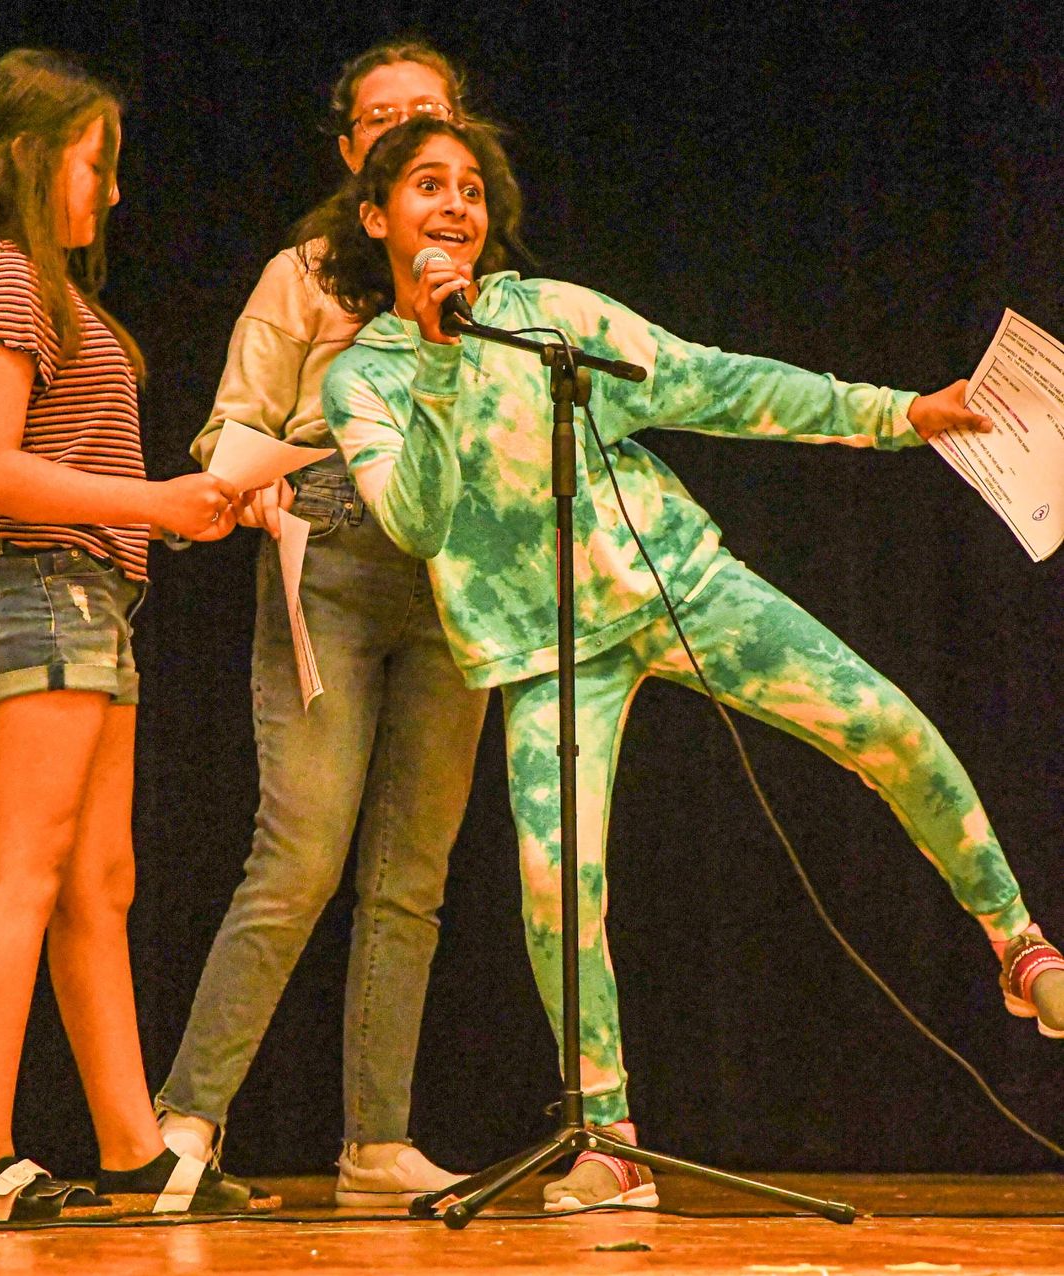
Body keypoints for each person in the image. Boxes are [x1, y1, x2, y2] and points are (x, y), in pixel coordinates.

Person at [312, 116, 1064, 1210]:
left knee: (886, 724)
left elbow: (718, 385)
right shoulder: (361, 381)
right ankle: (607, 1137)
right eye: (430, 186)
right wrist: (434, 353)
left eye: (472, 188)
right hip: (545, 652)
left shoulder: (548, 316)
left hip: (675, 583)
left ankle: (1020, 946)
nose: (457, 207)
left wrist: (901, 414)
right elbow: (419, 520)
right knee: (554, 885)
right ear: (378, 217)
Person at [0, 49, 274, 1221]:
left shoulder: (54, 293)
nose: (112, 191)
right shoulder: (6, 280)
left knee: (98, 880)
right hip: (32, 584)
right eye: (95, 163)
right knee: (21, 867)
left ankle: (133, 1143)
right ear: (31, 159)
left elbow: (71, 467)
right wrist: (156, 504)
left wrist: (189, 502)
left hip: (87, 594)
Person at [153, 41, 490, 1207]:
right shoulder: (305, 272)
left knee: (414, 875)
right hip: (332, 555)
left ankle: (377, 1141)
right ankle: (185, 1123)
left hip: (452, 577)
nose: (418, 151)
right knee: (299, 851)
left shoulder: (491, 290)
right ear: (357, 159)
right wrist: (252, 479)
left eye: (433, 126)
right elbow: (225, 425)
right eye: (386, 125)